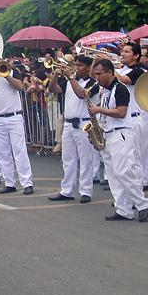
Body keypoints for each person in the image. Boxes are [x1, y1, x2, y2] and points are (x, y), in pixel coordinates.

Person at [88, 60, 148, 222]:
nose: (97, 77)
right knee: (112, 174)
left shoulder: (120, 89)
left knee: (124, 171)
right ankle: (123, 208)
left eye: (99, 74)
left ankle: (142, 204)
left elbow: (121, 112)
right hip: (107, 134)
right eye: (96, 74)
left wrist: (98, 110)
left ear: (110, 72)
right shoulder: (105, 91)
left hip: (120, 134)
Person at [0, 52, 34, 194]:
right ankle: (9, 183)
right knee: (3, 153)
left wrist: (6, 75)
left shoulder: (12, 71)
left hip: (14, 117)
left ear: (0, 60)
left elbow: (21, 87)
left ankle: (27, 183)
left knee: (19, 151)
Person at [48, 55, 99, 203]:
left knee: (85, 159)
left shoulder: (94, 82)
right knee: (68, 159)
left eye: (80, 65)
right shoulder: (70, 81)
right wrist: (56, 74)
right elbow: (52, 89)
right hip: (68, 124)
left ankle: (86, 191)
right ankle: (67, 190)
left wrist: (70, 77)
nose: (77, 68)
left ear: (89, 68)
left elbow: (81, 94)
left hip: (84, 124)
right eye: (75, 65)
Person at [115, 43, 148, 191]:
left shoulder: (140, 71)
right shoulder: (122, 69)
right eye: (122, 51)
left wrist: (108, 65)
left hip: (138, 117)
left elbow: (124, 80)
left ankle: (144, 183)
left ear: (136, 55)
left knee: (140, 154)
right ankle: (134, 187)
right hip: (126, 118)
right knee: (129, 156)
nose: (122, 54)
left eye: (126, 51)